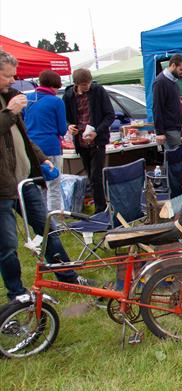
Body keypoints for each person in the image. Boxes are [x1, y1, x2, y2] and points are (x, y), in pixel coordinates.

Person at [0, 50, 86, 301]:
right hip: (3, 187)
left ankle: (68, 277)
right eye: (7, 76)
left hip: (23, 181)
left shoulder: (9, 98)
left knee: (48, 228)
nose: (12, 80)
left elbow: (23, 139)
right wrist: (10, 112)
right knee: (7, 245)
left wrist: (42, 158)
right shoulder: (10, 106)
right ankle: (17, 294)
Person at [63, 69, 114, 213]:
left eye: (89, 83)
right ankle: (98, 206)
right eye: (84, 84)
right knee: (90, 175)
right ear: (76, 84)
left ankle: (100, 208)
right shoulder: (68, 96)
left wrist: (97, 132)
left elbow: (110, 115)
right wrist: (69, 126)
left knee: (96, 175)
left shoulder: (98, 91)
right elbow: (65, 117)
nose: (87, 86)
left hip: (98, 140)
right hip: (81, 142)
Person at [23, 70, 67, 214]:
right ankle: (54, 221)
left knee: (39, 185)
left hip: (31, 148)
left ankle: (42, 218)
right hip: (51, 147)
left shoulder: (28, 99)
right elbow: (62, 129)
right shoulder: (56, 101)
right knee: (53, 184)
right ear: (54, 86)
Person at [153, 54, 182, 151]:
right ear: (173, 65)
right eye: (181, 69)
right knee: (174, 161)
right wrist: (159, 132)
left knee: (178, 159)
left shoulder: (173, 82)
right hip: (169, 130)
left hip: (175, 128)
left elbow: (174, 105)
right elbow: (157, 107)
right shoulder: (160, 82)